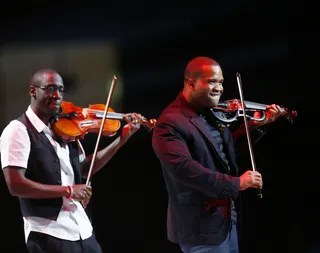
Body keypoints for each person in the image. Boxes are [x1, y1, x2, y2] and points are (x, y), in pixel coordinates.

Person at [151, 56, 284, 253]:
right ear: (191, 83)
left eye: (221, 82)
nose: (219, 89)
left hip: (225, 219)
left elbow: (225, 153)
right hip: (200, 227)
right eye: (212, 82)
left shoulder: (210, 113)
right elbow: (186, 170)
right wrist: (236, 184)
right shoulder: (169, 123)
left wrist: (255, 126)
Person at [0, 69, 141, 253]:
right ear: (33, 91)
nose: (57, 95)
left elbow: (84, 168)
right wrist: (68, 191)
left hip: (82, 229)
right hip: (48, 232)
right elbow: (16, 185)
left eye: (60, 90)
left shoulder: (65, 128)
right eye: (50, 89)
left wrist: (121, 140)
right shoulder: (18, 130)